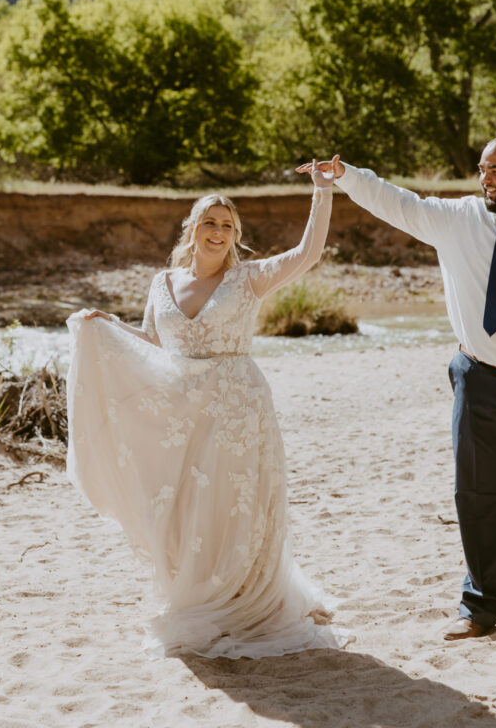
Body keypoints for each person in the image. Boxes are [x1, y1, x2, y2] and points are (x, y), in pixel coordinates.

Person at [298, 135, 496, 640]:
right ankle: (483, 607)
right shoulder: (458, 219)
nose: (485, 179)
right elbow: (399, 203)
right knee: (477, 493)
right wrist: (348, 177)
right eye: (482, 169)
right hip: (477, 377)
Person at [66, 160, 350, 659]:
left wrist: (321, 192)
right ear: (192, 230)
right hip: (181, 409)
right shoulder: (162, 283)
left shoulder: (250, 279)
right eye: (209, 223)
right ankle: (201, 591)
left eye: (227, 225)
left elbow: (308, 253)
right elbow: (154, 341)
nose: (218, 232)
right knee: (184, 507)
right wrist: (106, 324)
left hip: (239, 407)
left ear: (235, 235)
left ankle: (242, 597)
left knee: (234, 504)